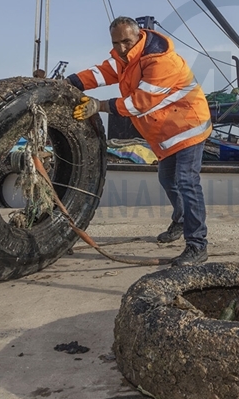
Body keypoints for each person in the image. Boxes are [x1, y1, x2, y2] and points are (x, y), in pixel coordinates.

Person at [68, 16, 213, 266]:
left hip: (188, 126)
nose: (121, 48)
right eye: (116, 43)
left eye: (126, 41)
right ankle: (180, 221)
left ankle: (197, 245)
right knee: (167, 179)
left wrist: (99, 105)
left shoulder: (161, 62)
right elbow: (100, 73)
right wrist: (69, 83)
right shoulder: (124, 59)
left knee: (187, 182)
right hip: (166, 132)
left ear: (139, 36)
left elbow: (140, 102)